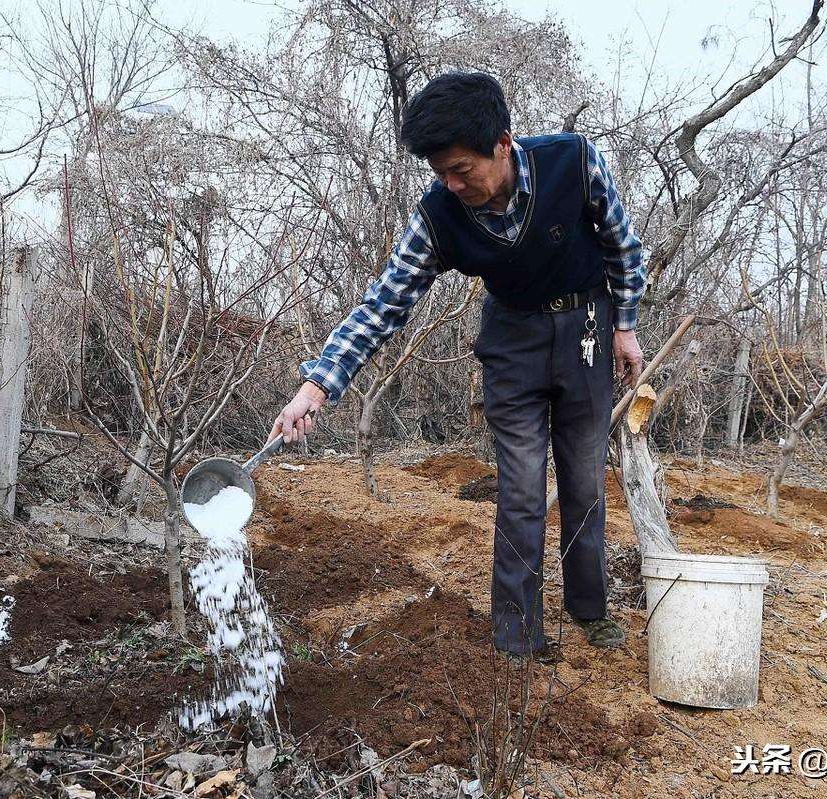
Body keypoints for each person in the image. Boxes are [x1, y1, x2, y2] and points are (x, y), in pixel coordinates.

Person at [268, 72, 646, 657]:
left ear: (502, 142)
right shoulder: (439, 214)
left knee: (585, 479)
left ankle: (587, 608)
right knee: (521, 486)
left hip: (586, 329)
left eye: (461, 169)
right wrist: (317, 386)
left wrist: (625, 323)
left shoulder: (572, 161)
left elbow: (622, 243)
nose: (451, 183)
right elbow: (385, 302)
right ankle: (518, 634)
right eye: (440, 171)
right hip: (511, 342)